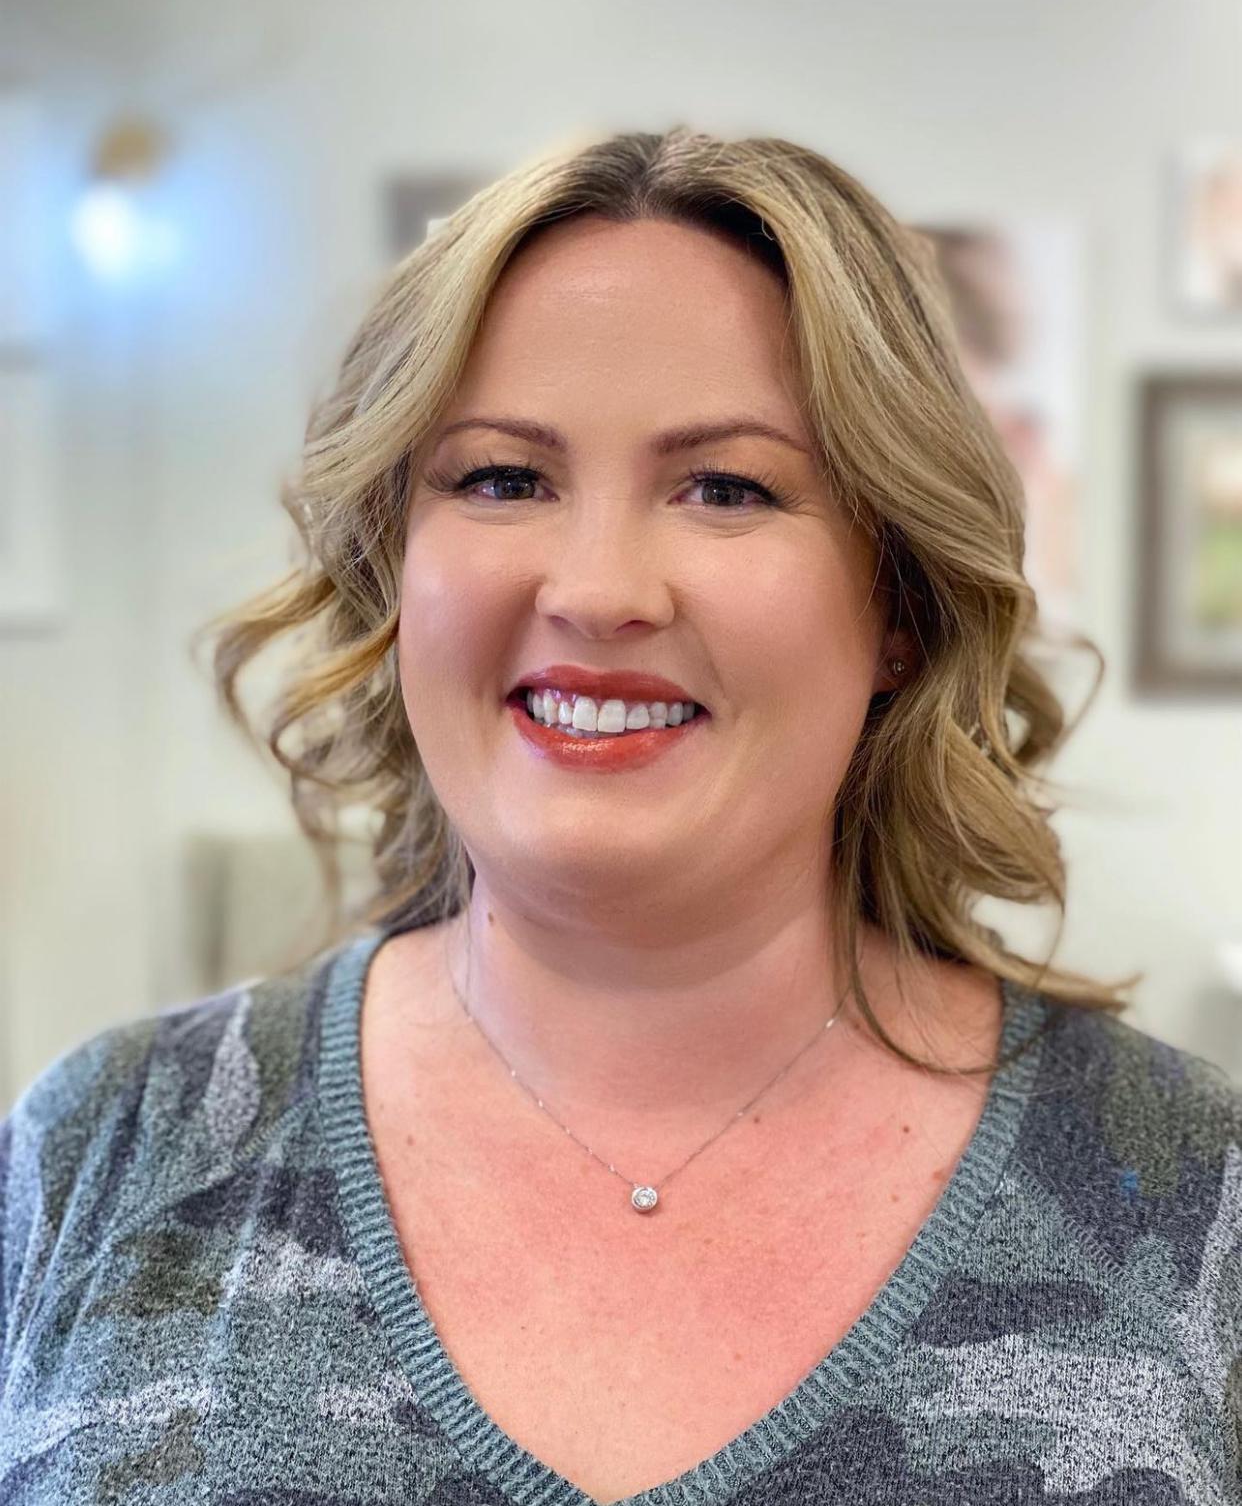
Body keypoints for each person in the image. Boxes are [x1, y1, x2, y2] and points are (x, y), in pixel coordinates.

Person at [2, 127, 1239, 1505]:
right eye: (501, 479)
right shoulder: (105, 1147)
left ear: (897, 602)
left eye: (726, 489)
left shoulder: (1197, 1194)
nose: (597, 592)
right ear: (396, 570)